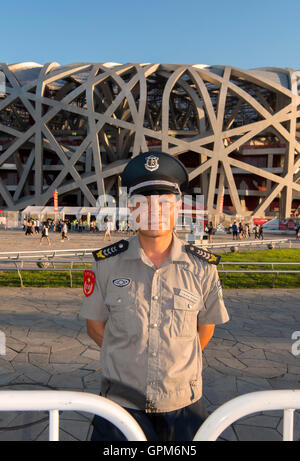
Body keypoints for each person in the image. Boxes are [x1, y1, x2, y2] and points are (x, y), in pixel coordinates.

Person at [80, 151, 229, 442]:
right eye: (143, 202)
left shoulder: (202, 267)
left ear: (177, 207)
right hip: (120, 409)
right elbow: (95, 328)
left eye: (163, 202)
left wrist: (170, 365)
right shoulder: (106, 264)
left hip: (182, 409)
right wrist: (132, 355)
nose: (153, 211)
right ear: (131, 208)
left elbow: (204, 330)